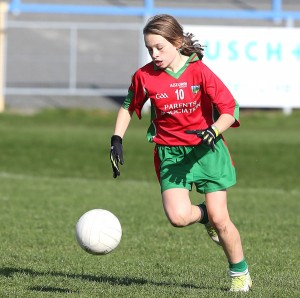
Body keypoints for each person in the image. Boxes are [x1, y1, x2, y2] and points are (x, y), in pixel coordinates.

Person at [110, 14, 252, 292]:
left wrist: (213, 130)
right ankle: (204, 216)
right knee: (178, 217)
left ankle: (239, 272)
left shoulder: (199, 71)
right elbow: (127, 106)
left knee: (222, 219)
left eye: (159, 47)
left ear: (177, 42)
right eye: (149, 48)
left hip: (207, 151)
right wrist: (117, 137)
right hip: (170, 155)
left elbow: (230, 108)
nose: (154, 54)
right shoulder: (144, 76)